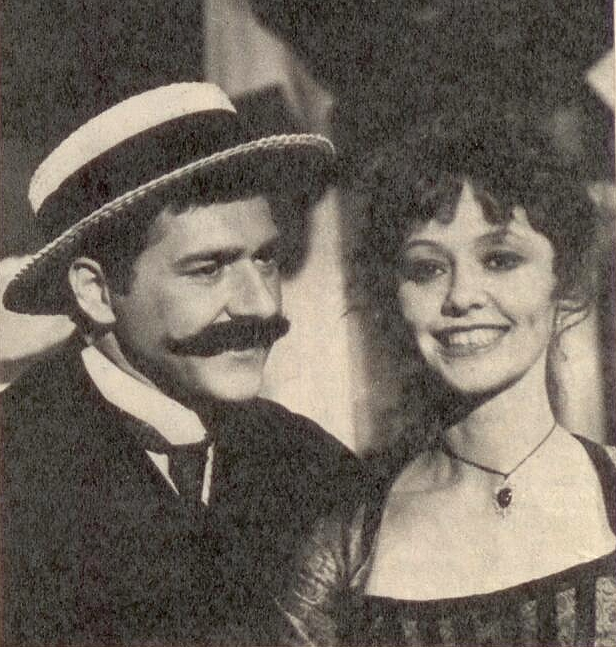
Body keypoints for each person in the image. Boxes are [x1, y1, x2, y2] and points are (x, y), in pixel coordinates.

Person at [0, 82, 362, 647]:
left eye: (265, 259)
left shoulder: (315, 467)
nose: (261, 305)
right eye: (208, 269)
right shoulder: (13, 471)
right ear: (95, 291)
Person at [276, 115, 616, 646]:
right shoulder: (347, 545)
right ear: (394, 297)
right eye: (427, 269)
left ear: (565, 284)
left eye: (500, 259)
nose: (461, 296)